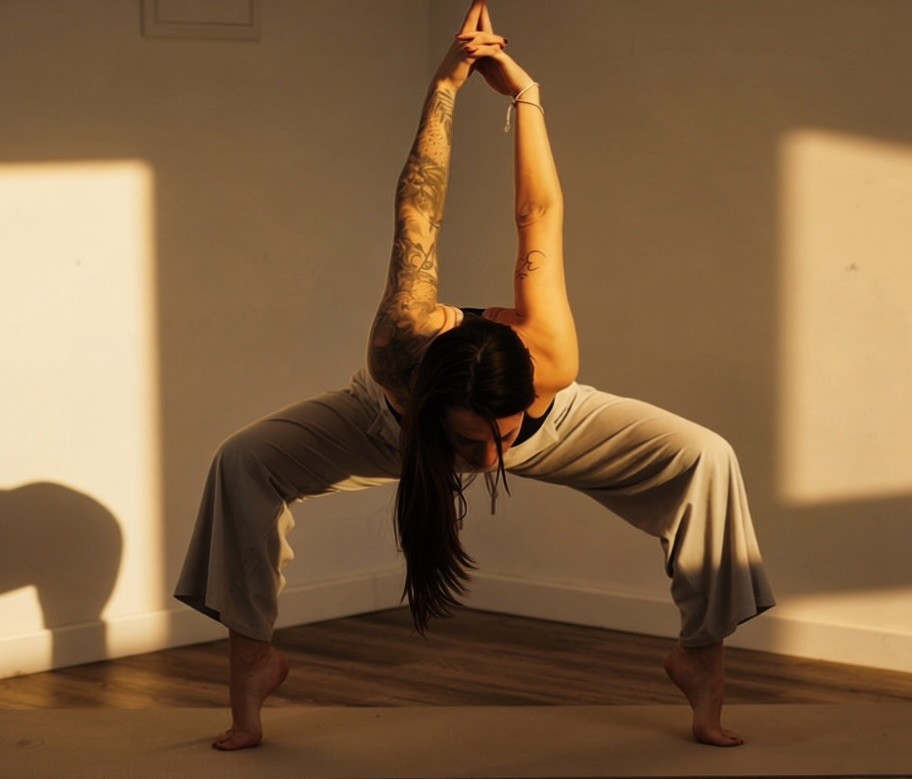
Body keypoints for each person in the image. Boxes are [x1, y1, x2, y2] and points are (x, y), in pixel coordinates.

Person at [175, 0, 774, 751]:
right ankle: (254, 665)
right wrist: (447, 87)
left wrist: (526, 97)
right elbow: (416, 213)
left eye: (496, 442)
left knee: (706, 458)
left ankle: (700, 663)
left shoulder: (548, 357)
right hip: (387, 423)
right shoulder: (399, 350)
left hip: (553, 424)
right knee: (244, 461)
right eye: (467, 447)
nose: (486, 464)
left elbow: (539, 211)